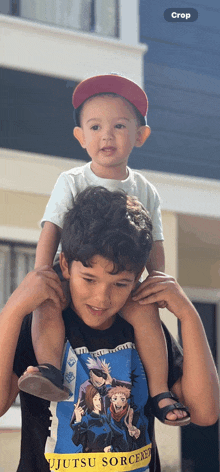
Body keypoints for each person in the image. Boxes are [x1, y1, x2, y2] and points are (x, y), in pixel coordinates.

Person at [15, 74, 199, 424]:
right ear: (80, 137)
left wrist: (156, 279)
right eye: (95, 126)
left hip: (120, 276)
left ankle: (160, 391)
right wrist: (42, 272)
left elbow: (154, 241)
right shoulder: (72, 180)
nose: (106, 135)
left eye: (118, 126)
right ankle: (50, 369)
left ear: (140, 135)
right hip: (75, 270)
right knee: (47, 304)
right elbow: (52, 226)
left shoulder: (145, 189)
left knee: (147, 315)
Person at [0, 187, 219, 472]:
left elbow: (206, 413)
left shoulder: (143, 330)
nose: (102, 298)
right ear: (65, 265)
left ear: (138, 276)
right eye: (89, 279)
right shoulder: (38, 326)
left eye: (119, 283)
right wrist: (13, 309)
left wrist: (189, 315)